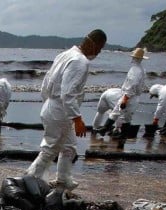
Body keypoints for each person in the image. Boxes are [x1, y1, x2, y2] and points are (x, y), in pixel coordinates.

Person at [26, 29, 107, 191]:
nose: (99, 52)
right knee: (51, 147)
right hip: (61, 109)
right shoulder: (80, 61)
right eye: (99, 48)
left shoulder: (65, 55)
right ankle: (30, 180)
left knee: (69, 146)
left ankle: (63, 180)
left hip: (53, 105)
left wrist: (48, 103)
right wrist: (77, 119)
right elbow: (68, 93)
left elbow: (46, 82)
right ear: (93, 45)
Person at [109, 47, 148, 143]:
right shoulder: (141, 69)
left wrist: (125, 99)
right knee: (121, 115)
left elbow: (131, 85)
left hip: (130, 96)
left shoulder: (135, 70)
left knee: (121, 115)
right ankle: (116, 132)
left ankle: (120, 136)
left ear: (134, 58)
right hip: (134, 97)